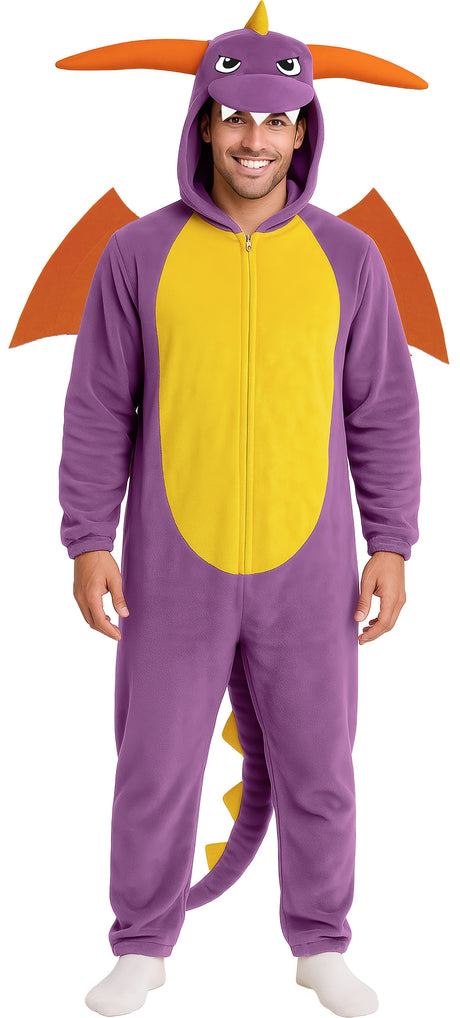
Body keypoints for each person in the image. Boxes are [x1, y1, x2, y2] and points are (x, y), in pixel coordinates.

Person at [58, 12, 421, 1018]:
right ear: (205, 122)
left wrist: (391, 541)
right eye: (236, 117)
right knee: (154, 765)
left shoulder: (351, 257)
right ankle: (142, 943)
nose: (255, 138)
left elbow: (382, 409)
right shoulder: (137, 252)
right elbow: (98, 404)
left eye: (277, 119)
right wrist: (87, 536)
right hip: (172, 566)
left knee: (320, 767)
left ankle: (320, 944)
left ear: (303, 130)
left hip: (312, 570)